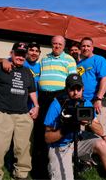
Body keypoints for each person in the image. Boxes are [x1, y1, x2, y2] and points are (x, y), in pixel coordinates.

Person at [44, 73, 106, 180]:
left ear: (83, 89)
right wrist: (66, 128)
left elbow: (101, 131)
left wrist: (89, 122)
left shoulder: (86, 104)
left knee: (102, 144)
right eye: (72, 89)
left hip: (77, 140)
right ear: (66, 89)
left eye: (78, 88)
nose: (75, 92)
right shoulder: (57, 104)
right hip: (59, 145)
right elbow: (47, 138)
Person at [0, 42, 39, 180]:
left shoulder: (27, 72)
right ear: (11, 53)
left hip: (23, 115)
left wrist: (36, 106)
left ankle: (21, 174)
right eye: (17, 54)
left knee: (23, 148)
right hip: (2, 114)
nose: (20, 57)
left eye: (23, 55)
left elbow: (32, 91)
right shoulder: (0, 68)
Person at [33, 35, 77, 179]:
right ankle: (39, 168)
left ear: (64, 46)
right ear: (51, 45)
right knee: (41, 131)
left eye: (60, 44)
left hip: (60, 97)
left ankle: (59, 163)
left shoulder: (69, 60)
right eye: (54, 44)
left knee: (57, 130)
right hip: (44, 97)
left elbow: (72, 83)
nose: (57, 46)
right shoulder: (44, 59)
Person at [77, 37, 106, 152]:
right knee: (85, 133)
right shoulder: (79, 64)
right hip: (83, 103)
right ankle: (88, 160)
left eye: (88, 46)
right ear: (80, 48)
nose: (85, 48)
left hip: (97, 101)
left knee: (103, 132)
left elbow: (105, 79)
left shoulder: (99, 59)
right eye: (83, 46)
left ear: (92, 48)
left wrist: (98, 98)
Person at [0, 42, 41, 109]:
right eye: (31, 50)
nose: (34, 53)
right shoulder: (20, 61)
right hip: (17, 106)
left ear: (39, 53)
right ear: (26, 53)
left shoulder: (40, 66)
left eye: (37, 51)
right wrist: (4, 60)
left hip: (32, 106)